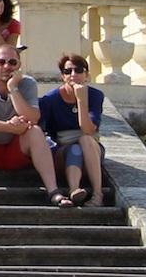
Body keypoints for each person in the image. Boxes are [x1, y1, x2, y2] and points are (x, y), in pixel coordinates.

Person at [0, 43, 71, 208]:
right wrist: (7, 127)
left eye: (12, 62)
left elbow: (33, 118)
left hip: (14, 152)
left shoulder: (27, 83)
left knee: (36, 132)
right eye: (1, 62)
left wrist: (13, 89)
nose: (7, 66)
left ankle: (53, 191)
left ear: (19, 65)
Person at [39, 52, 107, 207]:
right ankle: (75, 189)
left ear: (87, 75)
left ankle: (98, 194)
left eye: (78, 70)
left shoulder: (95, 96)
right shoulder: (51, 99)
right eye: (67, 71)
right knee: (75, 148)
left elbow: (88, 130)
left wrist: (81, 100)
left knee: (85, 139)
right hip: (63, 151)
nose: (73, 75)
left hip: (92, 150)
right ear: (63, 76)